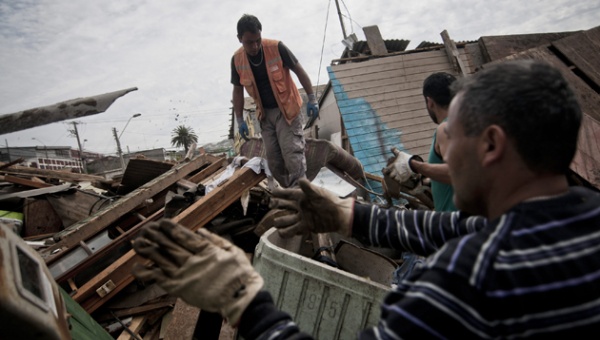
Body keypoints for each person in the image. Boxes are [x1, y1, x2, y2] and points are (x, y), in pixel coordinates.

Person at [132, 60, 600, 338]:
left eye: (450, 138)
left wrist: (244, 299)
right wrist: (347, 214)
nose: (444, 151)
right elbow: (451, 227)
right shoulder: (583, 221)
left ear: (492, 145)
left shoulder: (469, 279)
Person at [231, 14, 319, 188]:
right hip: (265, 115)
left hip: (287, 110)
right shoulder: (237, 60)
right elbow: (237, 90)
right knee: (274, 161)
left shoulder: (276, 47)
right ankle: (291, 190)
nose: (255, 46)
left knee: (292, 154)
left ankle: (300, 193)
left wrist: (312, 98)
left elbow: (298, 70)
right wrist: (239, 119)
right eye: (249, 42)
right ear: (240, 39)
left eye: (258, 40)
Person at [387, 72, 458, 211]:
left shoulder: (447, 128)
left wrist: (413, 165)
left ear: (430, 102)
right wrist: (430, 180)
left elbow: (457, 173)